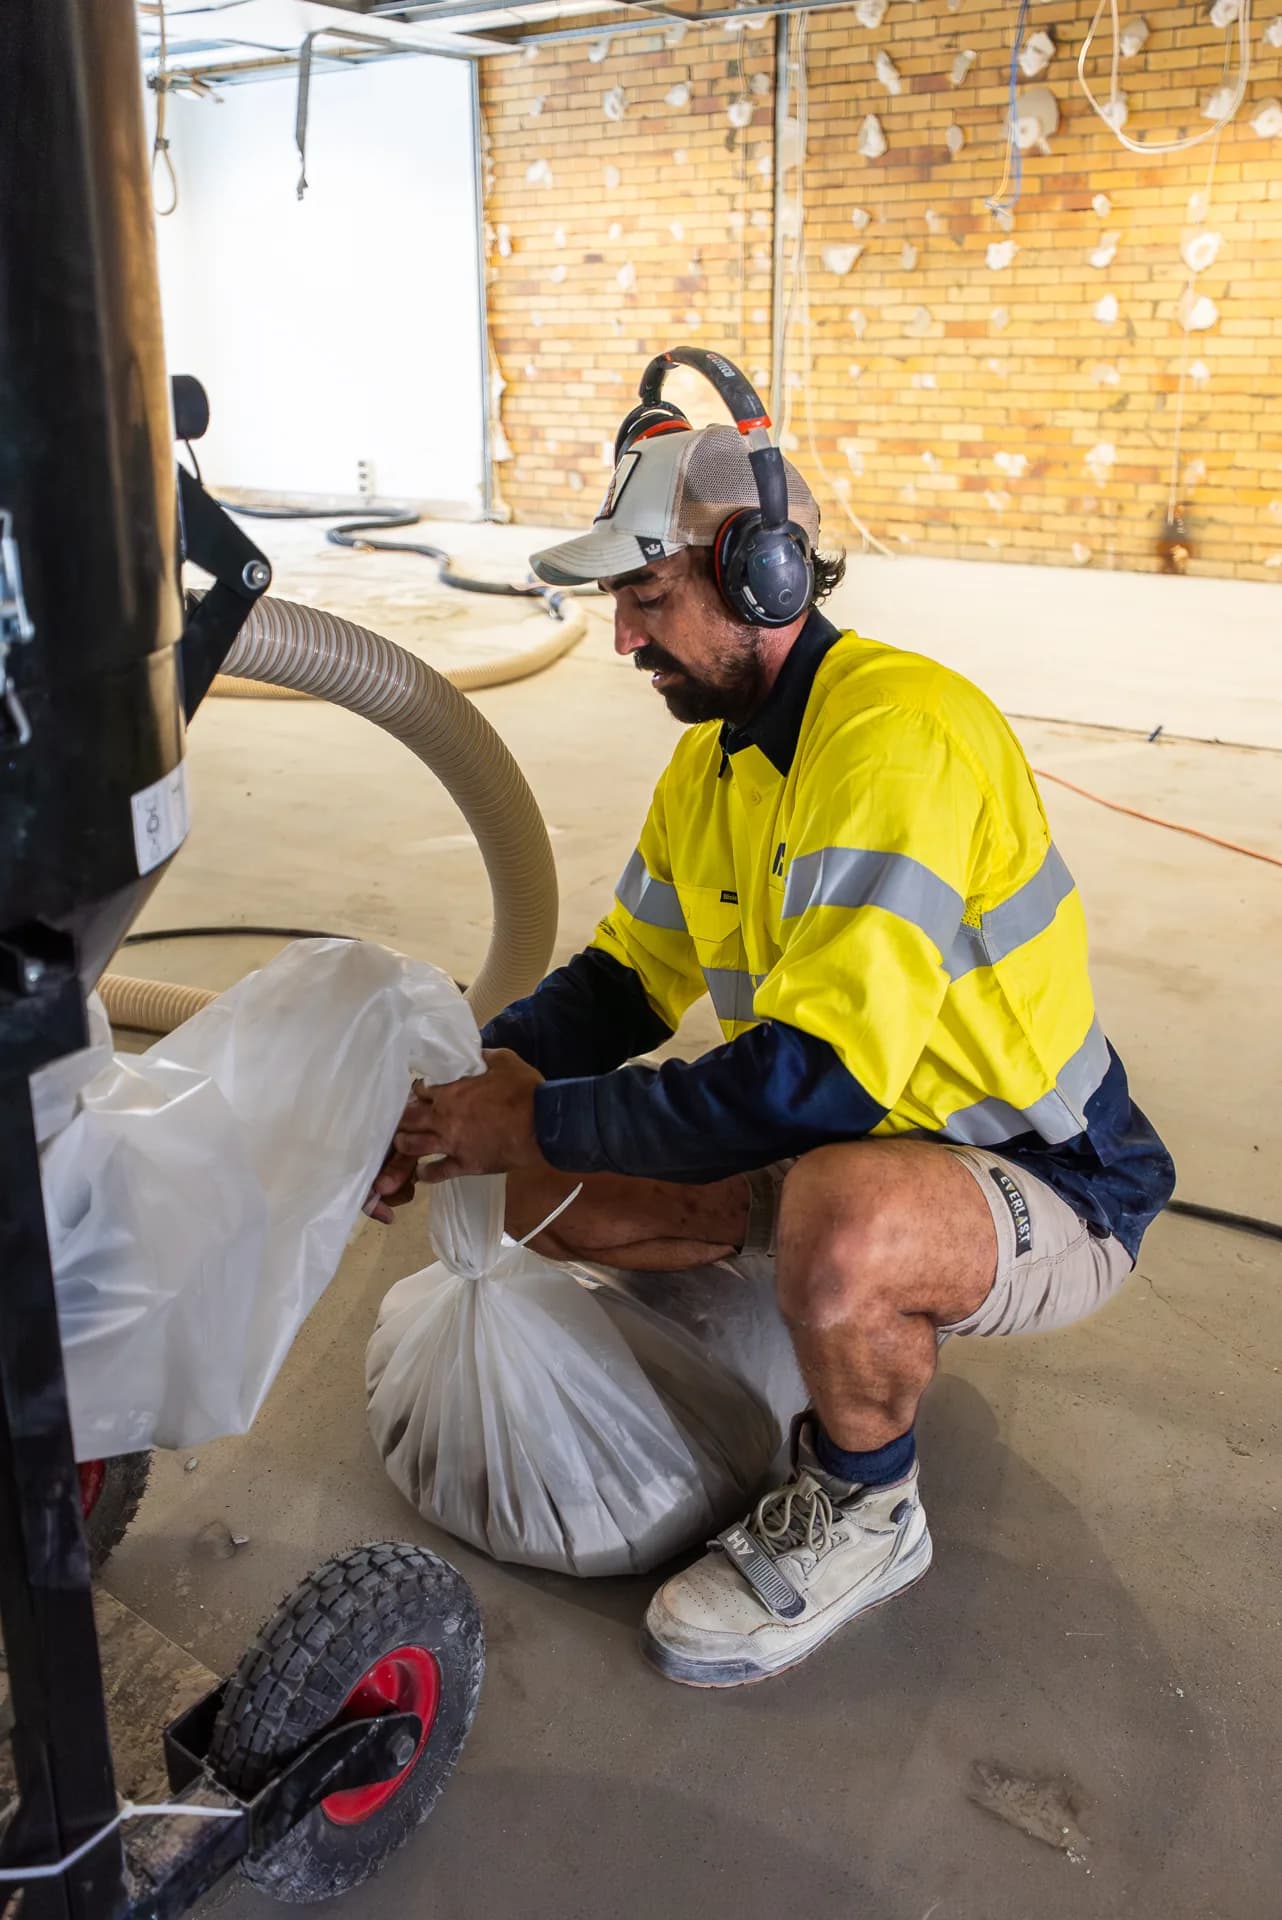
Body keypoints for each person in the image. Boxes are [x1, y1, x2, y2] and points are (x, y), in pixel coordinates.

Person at [367, 416, 1175, 1689]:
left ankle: (867, 1506)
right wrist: (462, 1096)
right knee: (531, 1183)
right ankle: (816, 1324)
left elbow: (818, 1083)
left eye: (647, 594)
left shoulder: (896, 737)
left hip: (1045, 1180)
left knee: (839, 1219)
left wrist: (525, 1115)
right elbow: (623, 982)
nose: (624, 637)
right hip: (836, 1145)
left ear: (765, 576)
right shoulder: (716, 765)